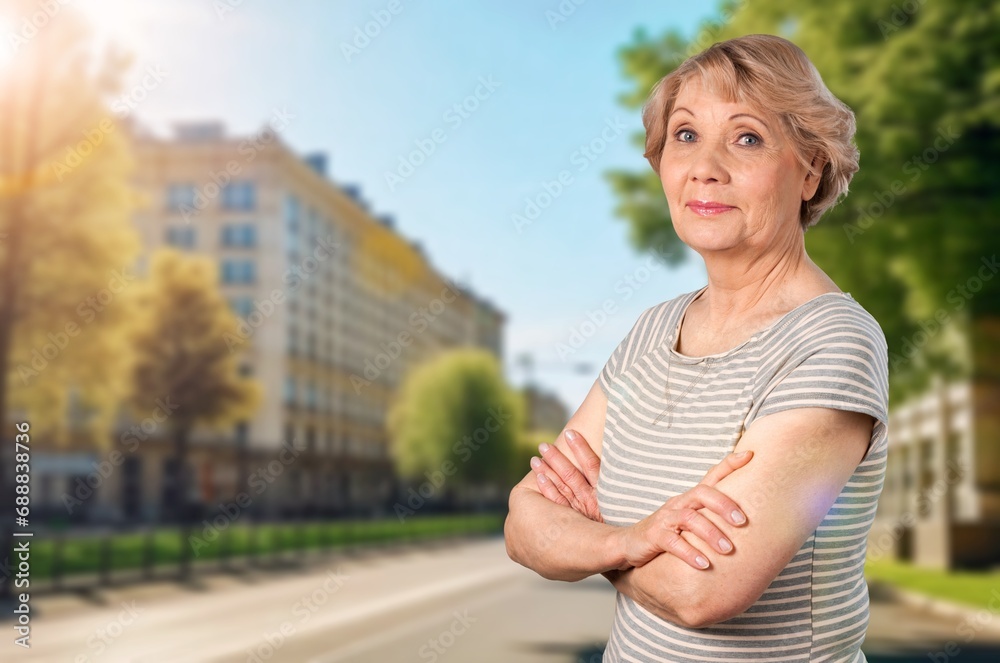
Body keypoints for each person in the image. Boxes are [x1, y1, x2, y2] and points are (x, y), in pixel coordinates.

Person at [504, 33, 889, 663]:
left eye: (747, 137)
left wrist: (591, 537)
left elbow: (700, 589)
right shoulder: (651, 330)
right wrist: (633, 540)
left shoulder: (832, 342)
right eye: (685, 135)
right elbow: (524, 523)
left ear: (811, 167)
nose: (705, 166)